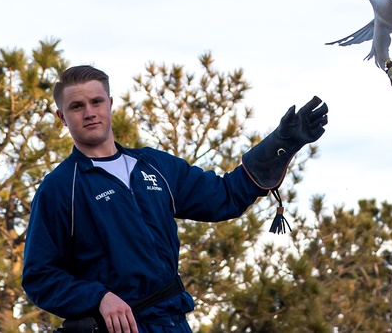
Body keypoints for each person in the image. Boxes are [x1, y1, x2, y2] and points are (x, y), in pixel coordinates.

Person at [22, 65, 327, 333]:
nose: (89, 112)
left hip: (173, 321)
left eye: (96, 101)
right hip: (120, 328)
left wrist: (281, 144)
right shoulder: (61, 187)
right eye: (77, 106)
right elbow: (39, 277)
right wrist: (98, 297)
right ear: (62, 117)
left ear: (110, 104)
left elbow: (225, 196)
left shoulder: (155, 166)